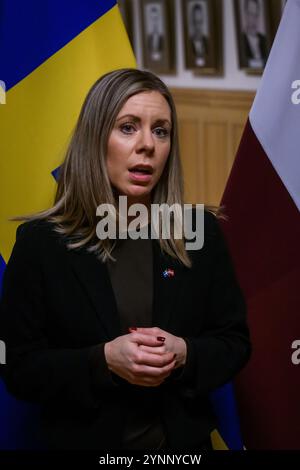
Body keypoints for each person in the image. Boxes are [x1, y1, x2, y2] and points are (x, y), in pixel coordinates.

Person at [0, 68, 251, 451]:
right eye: (129, 127)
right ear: (96, 138)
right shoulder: (41, 244)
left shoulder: (201, 233)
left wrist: (185, 352)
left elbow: (234, 342)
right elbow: (19, 369)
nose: (147, 145)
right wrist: (103, 361)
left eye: (161, 130)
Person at [241, 0, 268, 68]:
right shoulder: (241, 40)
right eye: (251, 14)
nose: (253, 19)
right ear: (246, 14)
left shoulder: (264, 40)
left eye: (256, 15)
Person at [189, 2, 208, 67]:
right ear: (192, 21)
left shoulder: (207, 41)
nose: (198, 25)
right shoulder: (189, 43)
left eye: (200, 21)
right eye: (195, 21)